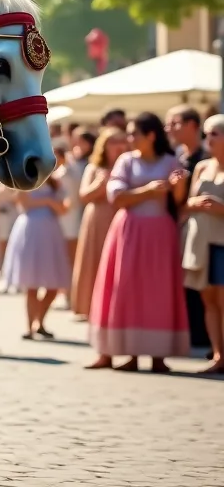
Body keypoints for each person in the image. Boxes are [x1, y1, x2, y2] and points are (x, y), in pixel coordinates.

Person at [87, 112, 190, 372]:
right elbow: (116, 197)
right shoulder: (125, 161)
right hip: (129, 231)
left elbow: (178, 201)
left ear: (151, 136)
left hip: (160, 234)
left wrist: (178, 186)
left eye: (134, 133)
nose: (130, 138)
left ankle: (158, 355)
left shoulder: (170, 161)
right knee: (125, 289)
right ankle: (126, 352)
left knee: (158, 291)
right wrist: (148, 191)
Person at [3, 148, 72, 339]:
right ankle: (30, 326)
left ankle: (39, 321)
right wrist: (48, 203)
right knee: (31, 283)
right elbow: (24, 204)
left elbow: (64, 208)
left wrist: (51, 203)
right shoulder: (23, 181)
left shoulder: (56, 182)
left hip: (50, 231)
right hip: (30, 230)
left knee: (53, 284)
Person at [166, 105, 212, 353]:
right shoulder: (176, 158)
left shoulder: (207, 159)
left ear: (193, 125)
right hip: (179, 232)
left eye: (175, 123)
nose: (169, 129)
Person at [71, 127, 128, 321]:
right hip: (97, 219)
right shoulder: (93, 168)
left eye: (121, 141)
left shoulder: (128, 166)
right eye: (113, 141)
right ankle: (90, 306)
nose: (118, 146)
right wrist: (99, 185)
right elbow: (83, 196)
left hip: (120, 218)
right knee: (93, 263)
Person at [182, 113, 224, 373]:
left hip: (222, 243)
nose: (209, 138)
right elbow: (186, 203)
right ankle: (218, 355)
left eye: (215, 133)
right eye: (207, 133)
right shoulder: (201, 167)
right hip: (200, 242)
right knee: (208, 301)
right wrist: (195, 203)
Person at [54, 140, 85, 309]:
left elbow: (70, 201)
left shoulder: (67, 174)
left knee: (68, 260)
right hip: (65, 221)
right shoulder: (67, 172)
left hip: (67, 221)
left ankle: (68, 295)